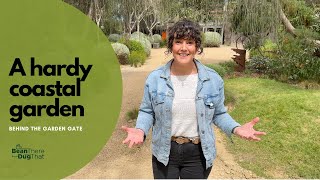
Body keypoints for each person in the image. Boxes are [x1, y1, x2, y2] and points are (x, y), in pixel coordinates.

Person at [122, 19, 266, 179]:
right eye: (178, 42)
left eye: (189, 42)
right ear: (171, 46)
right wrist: (140, 129)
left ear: (197, 47)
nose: (183, 48)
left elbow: (219, 114)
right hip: (165, 151)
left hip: (198, 154)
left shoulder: (213, 80)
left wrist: (236, 128)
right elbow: (147, 111)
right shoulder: (155, 79)